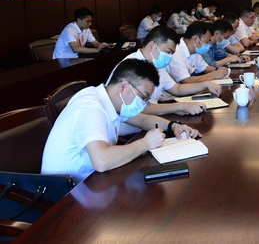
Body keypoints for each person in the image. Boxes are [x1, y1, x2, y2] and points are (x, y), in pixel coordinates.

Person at [41, 59, 201, 183]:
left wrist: (173, 126)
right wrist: (145, 143)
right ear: (124, 86)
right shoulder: (90, 106)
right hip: (66, 192)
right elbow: (101, 161)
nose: (144, 104)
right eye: (143, 97)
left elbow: (142, 120)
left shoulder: (111, 100)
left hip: (92, 181)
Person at [111, 26, 222, 116]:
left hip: (151, 119)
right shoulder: (132, 65)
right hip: (133, 126)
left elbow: (177, 89)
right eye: (168, 52)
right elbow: (142, 108)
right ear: (152, 46)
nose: (169, 57)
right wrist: (178, 107)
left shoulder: (156, 64)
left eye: (171, 53)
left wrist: (205, 84)